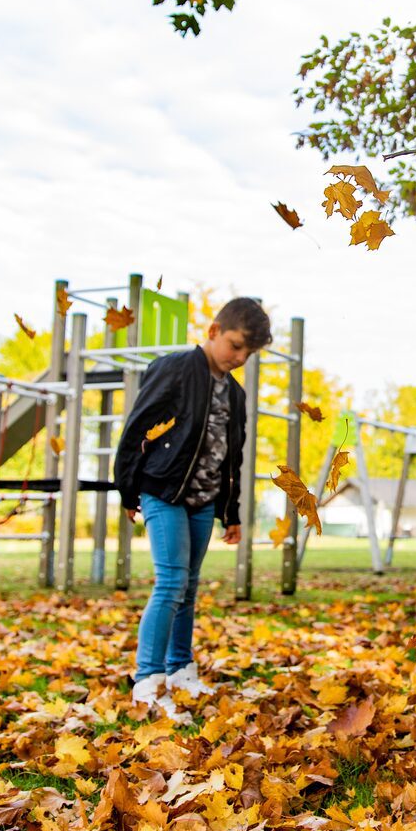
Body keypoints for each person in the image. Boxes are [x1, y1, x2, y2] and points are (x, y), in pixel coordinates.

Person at [115, 297, 273, 720]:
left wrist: (232, 512)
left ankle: (180, 668)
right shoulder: (175, 369)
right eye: (235, 346)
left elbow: (232, 458)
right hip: (163, 492)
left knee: (189, 585)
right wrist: (128, 490)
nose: (239, 358)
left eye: (247, 353)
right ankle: (147, 681)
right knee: (170, 582)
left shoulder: (235, 394)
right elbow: (136, 429)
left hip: (203, 501)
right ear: (214, 331)